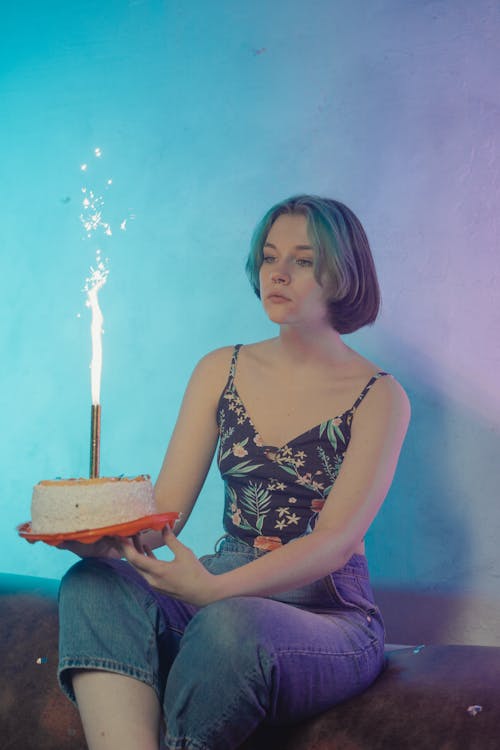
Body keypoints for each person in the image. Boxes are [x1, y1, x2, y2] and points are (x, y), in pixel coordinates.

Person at [57, 195, 410, 750]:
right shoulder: (220, 368)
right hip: (222, 581)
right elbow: (164, 516)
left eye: (303, 260)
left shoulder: (380, 396)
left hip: (327, 611)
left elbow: (334, 544)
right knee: (92, 585)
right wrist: (106, 542)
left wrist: (213, 591)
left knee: (231, 626)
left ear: (344, 274)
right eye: (270, 257)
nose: (280, 273)